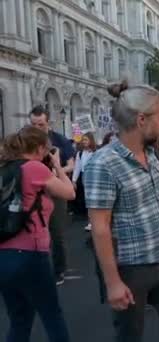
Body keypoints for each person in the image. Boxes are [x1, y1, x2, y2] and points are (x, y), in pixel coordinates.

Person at [84, 81, 159, 342]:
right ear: (141, 119)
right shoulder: (103, 164)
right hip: (131, 269)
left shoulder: (151, 154)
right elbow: (99, 227)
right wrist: (112, 282)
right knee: (130, 336)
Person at [0, 126, 75, 342]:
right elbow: (69, 192)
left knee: (20, 319)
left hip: (4, 253)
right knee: (52, 315)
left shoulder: (5, 168)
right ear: (41, 148)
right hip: (31, 252)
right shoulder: (34, 168)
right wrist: (57, 165)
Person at [29, 106, 75, 285]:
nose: (37, 128)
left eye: (40, 124)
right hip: (33, 191)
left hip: (55, 190)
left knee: (56, 233)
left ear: (48, 123)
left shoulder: (59, 140)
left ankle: (60, 270)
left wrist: (56, 171)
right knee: (33, 233)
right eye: (33, 124)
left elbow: (71, 164)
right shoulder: (25, 140)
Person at [72, 132, 97, 231]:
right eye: (83, 140)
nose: (84, 142)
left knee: (94, 199)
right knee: (88, 200)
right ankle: (90, 222)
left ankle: (95, 221)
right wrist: (73, 180)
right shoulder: (80, 153)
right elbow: (77, 167)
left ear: (91, 140)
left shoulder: (95, 152)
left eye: (86, 139)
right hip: (84, 176)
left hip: (94, 176)